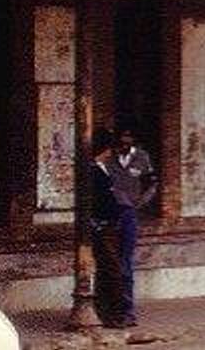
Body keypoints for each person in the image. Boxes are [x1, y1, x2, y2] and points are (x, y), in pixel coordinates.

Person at [109, 124, 157, 328]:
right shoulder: (109, 158)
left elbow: (152, 184)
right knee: (109, 264)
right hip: (109, 214)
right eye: (122, 137)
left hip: (128, 215)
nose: (124, 142)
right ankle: (110, 311)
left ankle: (127, 312)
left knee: (125, 264)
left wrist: (138, 203)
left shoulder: (142, 158)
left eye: (129, 137)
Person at [91, 128, 125, 328]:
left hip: (109, 226)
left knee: (108, 270)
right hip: (102, 227)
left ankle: (108, 313)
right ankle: (111, 315)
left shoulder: (101, 169)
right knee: (111, 270)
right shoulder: (93, 171)